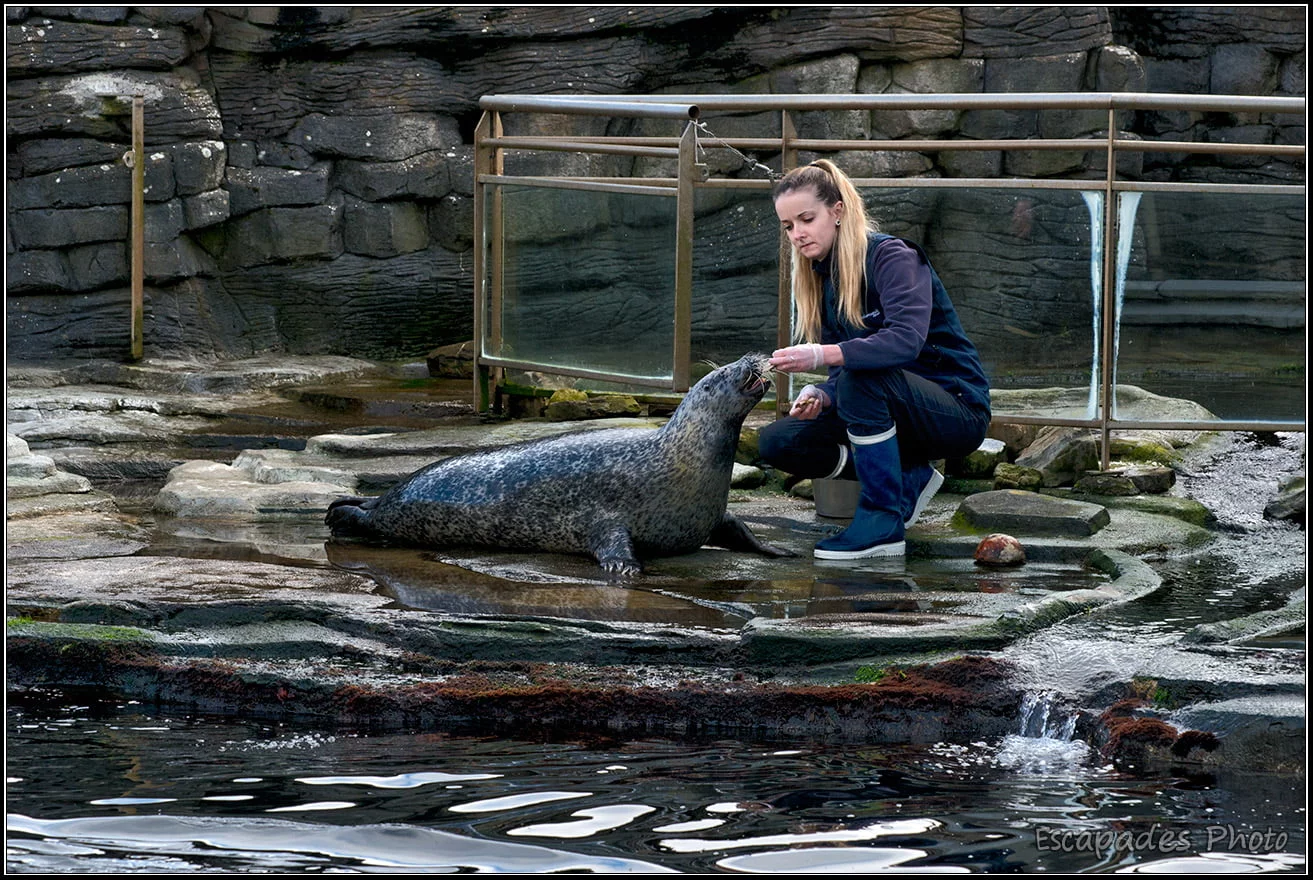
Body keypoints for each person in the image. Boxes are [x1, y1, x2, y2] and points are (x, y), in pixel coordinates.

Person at [763, 160, 991, 560]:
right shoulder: (824, 278)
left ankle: (882, 521)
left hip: (954, 410)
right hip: (886, 406)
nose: (797, 234)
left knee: (861, 380)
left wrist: (820, 355)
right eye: (788, 226)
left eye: (806, 219)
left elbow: (905, 341)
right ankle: (905, 474)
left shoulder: (893, 257)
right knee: (779, 441)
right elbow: (844, 373)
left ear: (837, 212)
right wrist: (824, 393)